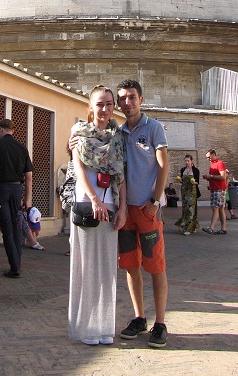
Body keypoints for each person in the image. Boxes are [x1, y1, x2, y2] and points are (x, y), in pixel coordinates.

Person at [69, 85, 126, 346]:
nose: (104, 109)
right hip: (87, 205)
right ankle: (86, 328)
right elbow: (79, 169)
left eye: (109, 104)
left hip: (110, 206)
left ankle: (104, 327)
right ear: (90, 107)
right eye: (99, 104)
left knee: (107, 272)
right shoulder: (78, 133)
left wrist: (122, 208)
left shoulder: (118, 136)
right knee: (86, 269)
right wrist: (94, 200)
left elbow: (120, 176)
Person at [117, 79, 169, 349]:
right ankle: (139, 317)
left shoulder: (154, 128)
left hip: (147, 210)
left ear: (141, 98)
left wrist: (155, 200)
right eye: (123, 98)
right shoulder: (119, 132)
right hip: (126, 212)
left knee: (155, 267)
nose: (127, 102)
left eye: (132, 97)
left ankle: (160, 322)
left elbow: (164, 165)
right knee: (130, 266)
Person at [0, 119, 34, 278]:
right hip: (17, 189)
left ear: (1, 129)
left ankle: (14, 266)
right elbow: (28, 176)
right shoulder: (22, 148)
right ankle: (17, 262)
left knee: (7, 228)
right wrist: (27, 199)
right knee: (15, 225)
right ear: (13, 131)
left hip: (1, 188)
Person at [202, 149, 227, 235]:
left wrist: (211, 176)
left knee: (215, 208)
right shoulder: (212, 164)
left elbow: (223, 177)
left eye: (209, 157)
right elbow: (213, 177)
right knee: (220, 209)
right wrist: (208, 178)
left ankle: (211, 228)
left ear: (213, 154)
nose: (208, 159)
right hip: (215, 188)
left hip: (219, 189)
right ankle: (223, 228)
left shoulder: (219, 163)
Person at [175, 155, 200, 235]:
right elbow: (182, 181)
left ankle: (189, 228)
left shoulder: (195, 170)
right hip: (184, 191)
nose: (186, 162)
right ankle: (185, 226)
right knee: (185, 208)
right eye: (185, 161)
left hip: (192, 191)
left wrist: (193, 182)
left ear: (192, 161)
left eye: (188, 160)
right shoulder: (183, 169)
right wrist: (180, 180)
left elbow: (197, 182)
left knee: (190, 209)